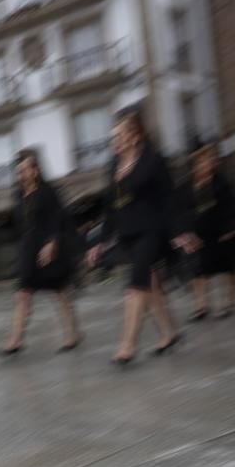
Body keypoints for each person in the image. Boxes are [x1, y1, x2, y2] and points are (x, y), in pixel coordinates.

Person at [86, 106, 198, 364]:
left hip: (153, 231)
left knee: (136, 283)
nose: (114, 141)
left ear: (135, 135)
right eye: (113, 136)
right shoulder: (113, 165)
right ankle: (170, 334)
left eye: (119, 136)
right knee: (152, 285)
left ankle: (128, 345)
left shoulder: (153, 160)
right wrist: (100, 241)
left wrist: (178, 232)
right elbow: (111, 207)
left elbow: (169, 199)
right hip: (128, 233)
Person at [0, 148, 82, 355]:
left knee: (60, 292)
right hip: (29, 250)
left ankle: (72, 334)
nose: (22, 175)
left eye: (25, 170)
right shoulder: (18, 195)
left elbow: (58, 219)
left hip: (48, 249)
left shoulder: (47, 191)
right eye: (19, 171)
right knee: (22, 294)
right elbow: (21, 225)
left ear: (35, 170)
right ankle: (15, 340)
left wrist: (52, 243)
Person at [180, 142, 235, 320]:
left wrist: (231, 227)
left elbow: (231, 206)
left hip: (221, 232)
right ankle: (201, 305)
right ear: (196, 163)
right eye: (205, 160)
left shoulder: (221, 182)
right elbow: (182, 210)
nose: (209, 163)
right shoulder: (186, 186)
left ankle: (229, 302)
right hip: (198, 234)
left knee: (227, 267)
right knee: (198, 270)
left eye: (211, 159)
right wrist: (186, 232)